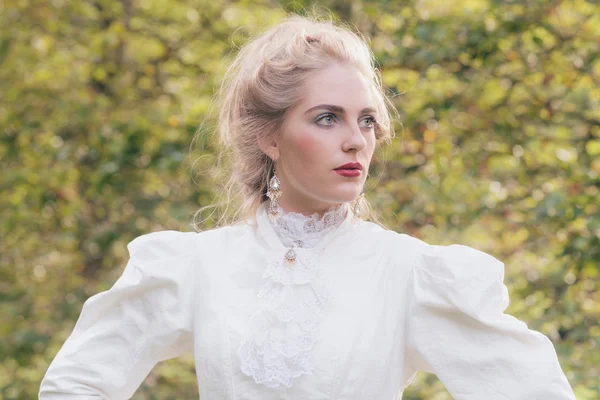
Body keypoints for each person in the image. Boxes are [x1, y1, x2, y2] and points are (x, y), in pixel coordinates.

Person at [39, 15, 576, 400]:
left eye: (366, 119)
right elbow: (75, 383)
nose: (356, 141)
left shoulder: (410, 273)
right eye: (327, 118)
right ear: (269, 136)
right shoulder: (195, 264)